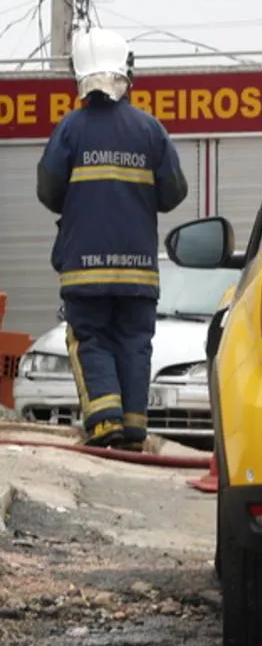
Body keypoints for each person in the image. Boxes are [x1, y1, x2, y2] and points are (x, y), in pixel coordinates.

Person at [36, 28, 189, 452]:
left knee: (90, 338)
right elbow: (174, 193)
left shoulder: (69, 129)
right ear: (127, 73)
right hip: (139, 271)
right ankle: (134, 429)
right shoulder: (150, 129)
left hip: (84, 270)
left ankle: (105, 422)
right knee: (135, 343)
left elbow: (48, 192)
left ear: (80, 77)